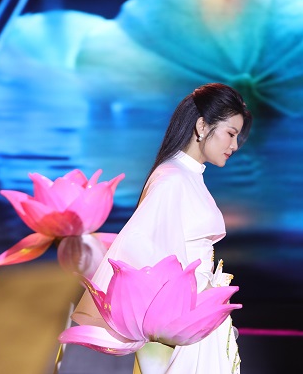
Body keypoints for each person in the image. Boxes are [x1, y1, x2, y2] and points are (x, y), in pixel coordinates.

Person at [72, 83, 252, 374]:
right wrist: (194, 295)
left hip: (195, 315)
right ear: (202, 126)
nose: (235, 146)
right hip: (183, 317)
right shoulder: (172, 178)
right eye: (231, 134)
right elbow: (144, 250)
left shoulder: (187, 175)